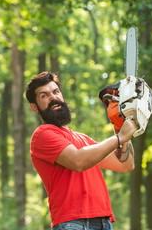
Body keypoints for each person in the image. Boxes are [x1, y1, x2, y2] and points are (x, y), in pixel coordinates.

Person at [25, 72, 138, 230]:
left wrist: (120, 123)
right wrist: (120, 137)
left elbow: (125, 165)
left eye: (56, 92)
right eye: (44, 95)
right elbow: (78, 161)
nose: (53, 98)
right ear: (34, 107)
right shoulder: (43, 135)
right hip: (73, 224)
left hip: (104, 222)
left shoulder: (83, 139)